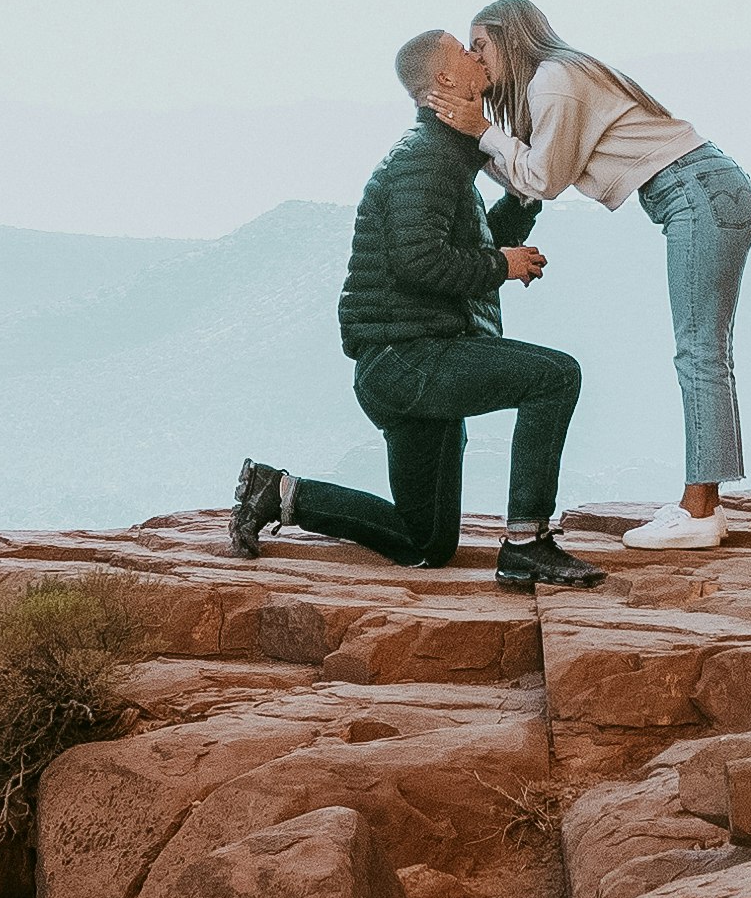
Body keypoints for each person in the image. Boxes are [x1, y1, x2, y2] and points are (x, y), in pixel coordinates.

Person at [231, 31, 606, 591]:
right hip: (408, 360)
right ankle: (528, 544)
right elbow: (418, 259)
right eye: (466, 51)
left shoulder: (449, 160)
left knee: (424, 542)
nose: (479, 56)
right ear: (446, 81)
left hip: (410, 361)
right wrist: (501, 266)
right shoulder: (426, 158)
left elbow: (468, 247)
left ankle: (278, 492)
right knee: (556, 377)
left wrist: (524, 197)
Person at [467, 0, 751, 547]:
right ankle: (706, 507)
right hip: (707, 189)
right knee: (705, 349)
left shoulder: (552, 79)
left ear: (511, 39)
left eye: (481, 46)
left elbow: (543, 179)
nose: (476, 60)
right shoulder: (561, 75)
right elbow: (531, 178)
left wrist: (480, 131)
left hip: (697, 194)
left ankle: (699, 512)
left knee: (699, 351)